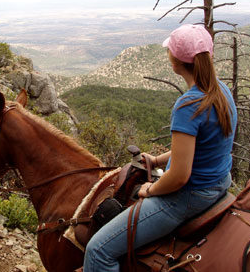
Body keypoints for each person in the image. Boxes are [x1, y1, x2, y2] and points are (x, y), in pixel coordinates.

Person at [83, 24, 237, 271]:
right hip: (220, 184)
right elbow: (200, 148)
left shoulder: (188, 105)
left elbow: (179, 177)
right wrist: (156, 161)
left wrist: (151, 189)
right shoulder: (221, 90)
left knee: (98, 250)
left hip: (189, 197)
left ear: (176, 61)